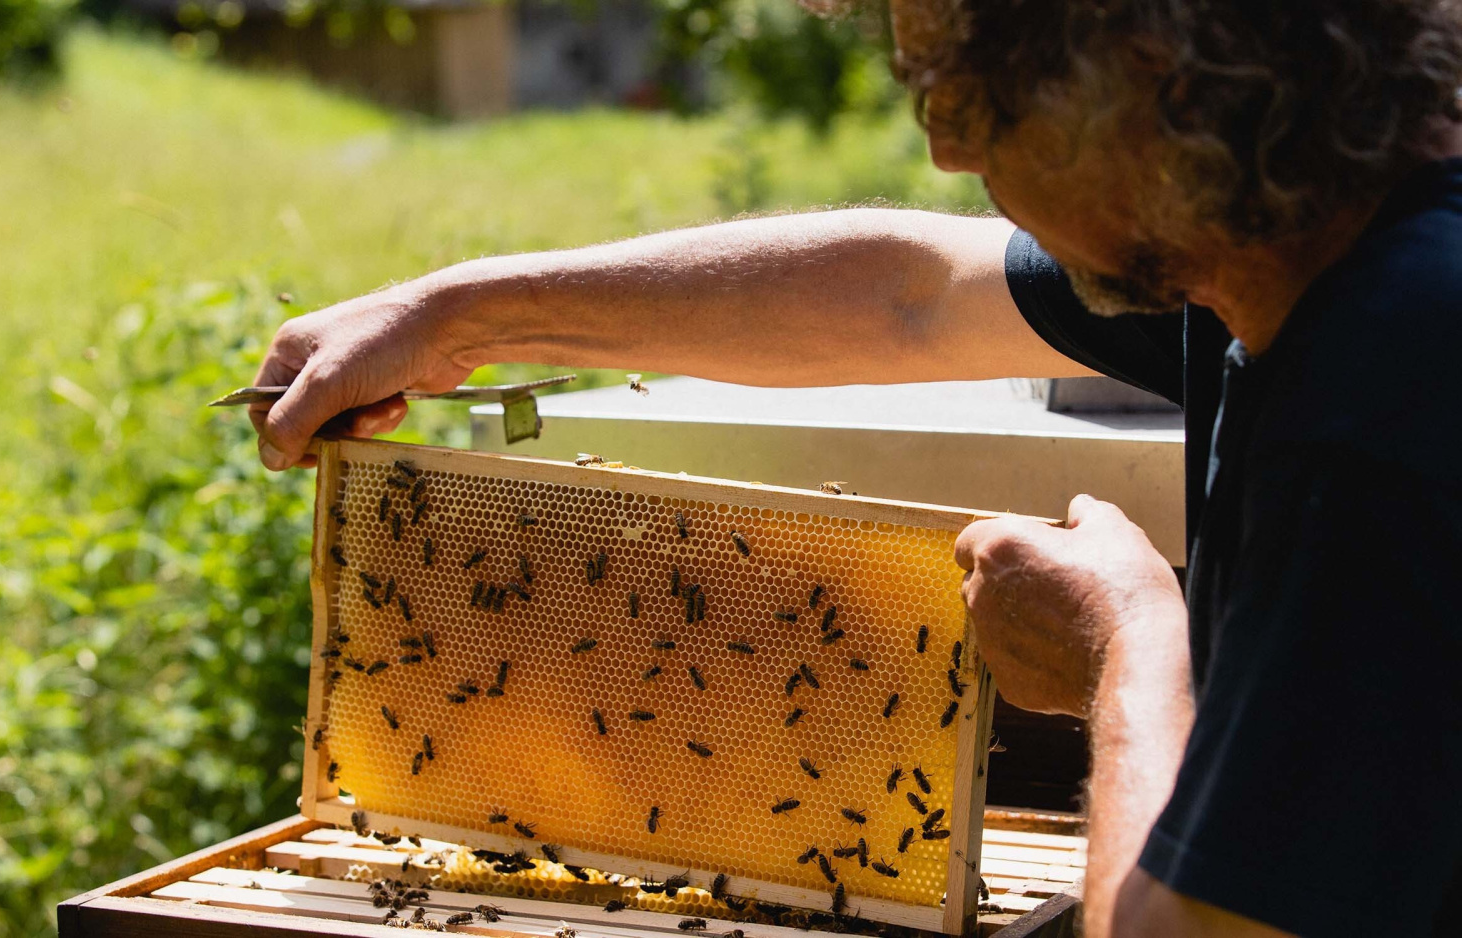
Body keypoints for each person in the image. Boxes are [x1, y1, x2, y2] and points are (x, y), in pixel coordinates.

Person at [249, 3, 1462, 936]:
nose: (942, 145)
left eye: (970, 92)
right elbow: (906, 293)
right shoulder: (1275, 252)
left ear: (1154, 74)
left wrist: (1126, 643)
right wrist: (453, 315)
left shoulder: (1386, 386)